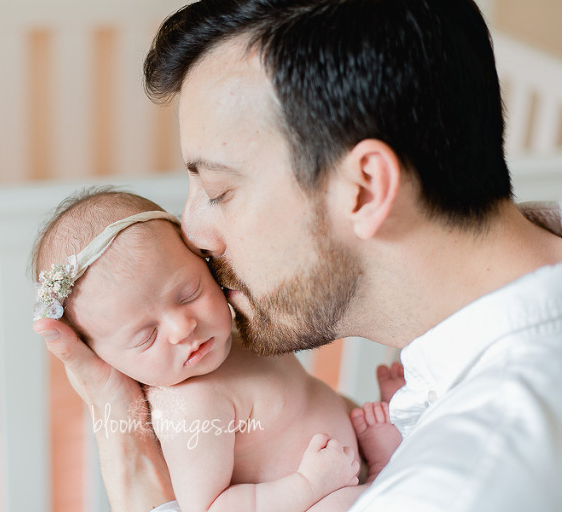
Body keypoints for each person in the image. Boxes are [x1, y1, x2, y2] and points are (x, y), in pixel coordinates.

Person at [33, 0, 562, 511]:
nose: (191, 235)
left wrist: (133, 462)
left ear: (364, 189)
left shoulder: (463, 483)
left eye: (219, 191)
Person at [31, 188, 402, 512]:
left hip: (346, 469)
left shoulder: (241, 335)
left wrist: (367, 417)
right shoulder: (190, 405)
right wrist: (308, 485)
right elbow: (209, 506)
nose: (182, 328)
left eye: (188, 293)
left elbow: (301, 408)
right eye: (145, 336)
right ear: (103, 358)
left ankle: (385, 460)